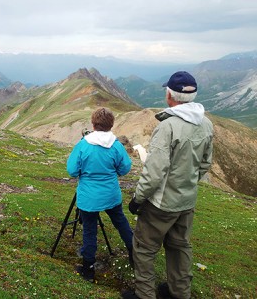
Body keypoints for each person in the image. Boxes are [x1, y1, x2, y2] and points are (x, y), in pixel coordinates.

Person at [122, 71, 214, 299]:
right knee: (180, 247)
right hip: (187, 201)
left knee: (144, 249)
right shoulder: (206, 124)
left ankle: (144, 295)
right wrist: (187, 182)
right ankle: (179, 293)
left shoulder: (167, 127)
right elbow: (205, 164)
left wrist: (138, 199)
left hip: (161, 204)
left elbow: (154, 172)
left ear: (170, 95)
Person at [67, 107, 134, 283]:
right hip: (111, 194)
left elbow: (72, 170)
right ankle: (135, 254)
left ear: (93, 123)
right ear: (111, 124)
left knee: (89, 231)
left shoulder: (83, 144)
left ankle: (88, 269)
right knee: (121, 222)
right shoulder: (116, 145)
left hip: (89, 197)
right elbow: (125, 167)